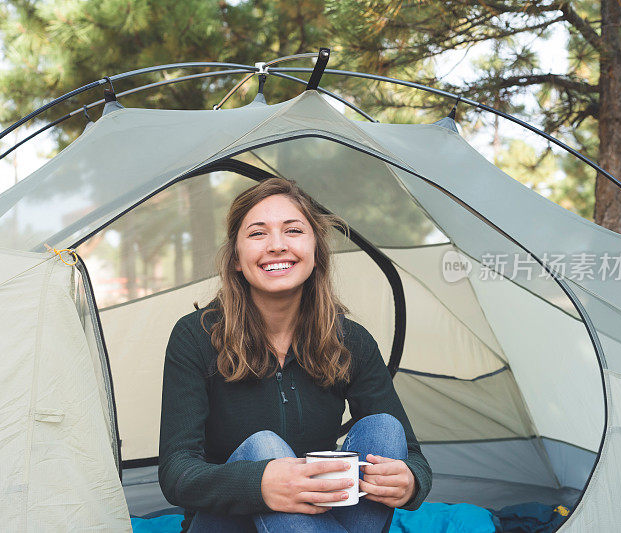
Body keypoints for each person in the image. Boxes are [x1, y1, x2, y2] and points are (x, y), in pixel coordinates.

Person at [159, 178, 431, 532]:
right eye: (258, 234)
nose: (276, 246)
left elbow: (415, 458)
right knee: (264, 446)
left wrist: (410, 482)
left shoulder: (352, 341)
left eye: (293, 231)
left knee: (384, 429)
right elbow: (176, 472)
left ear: (315, 250)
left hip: (316, 521)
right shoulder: (195, 336)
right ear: (237, 259)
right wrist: (260, 484)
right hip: (227, 524)